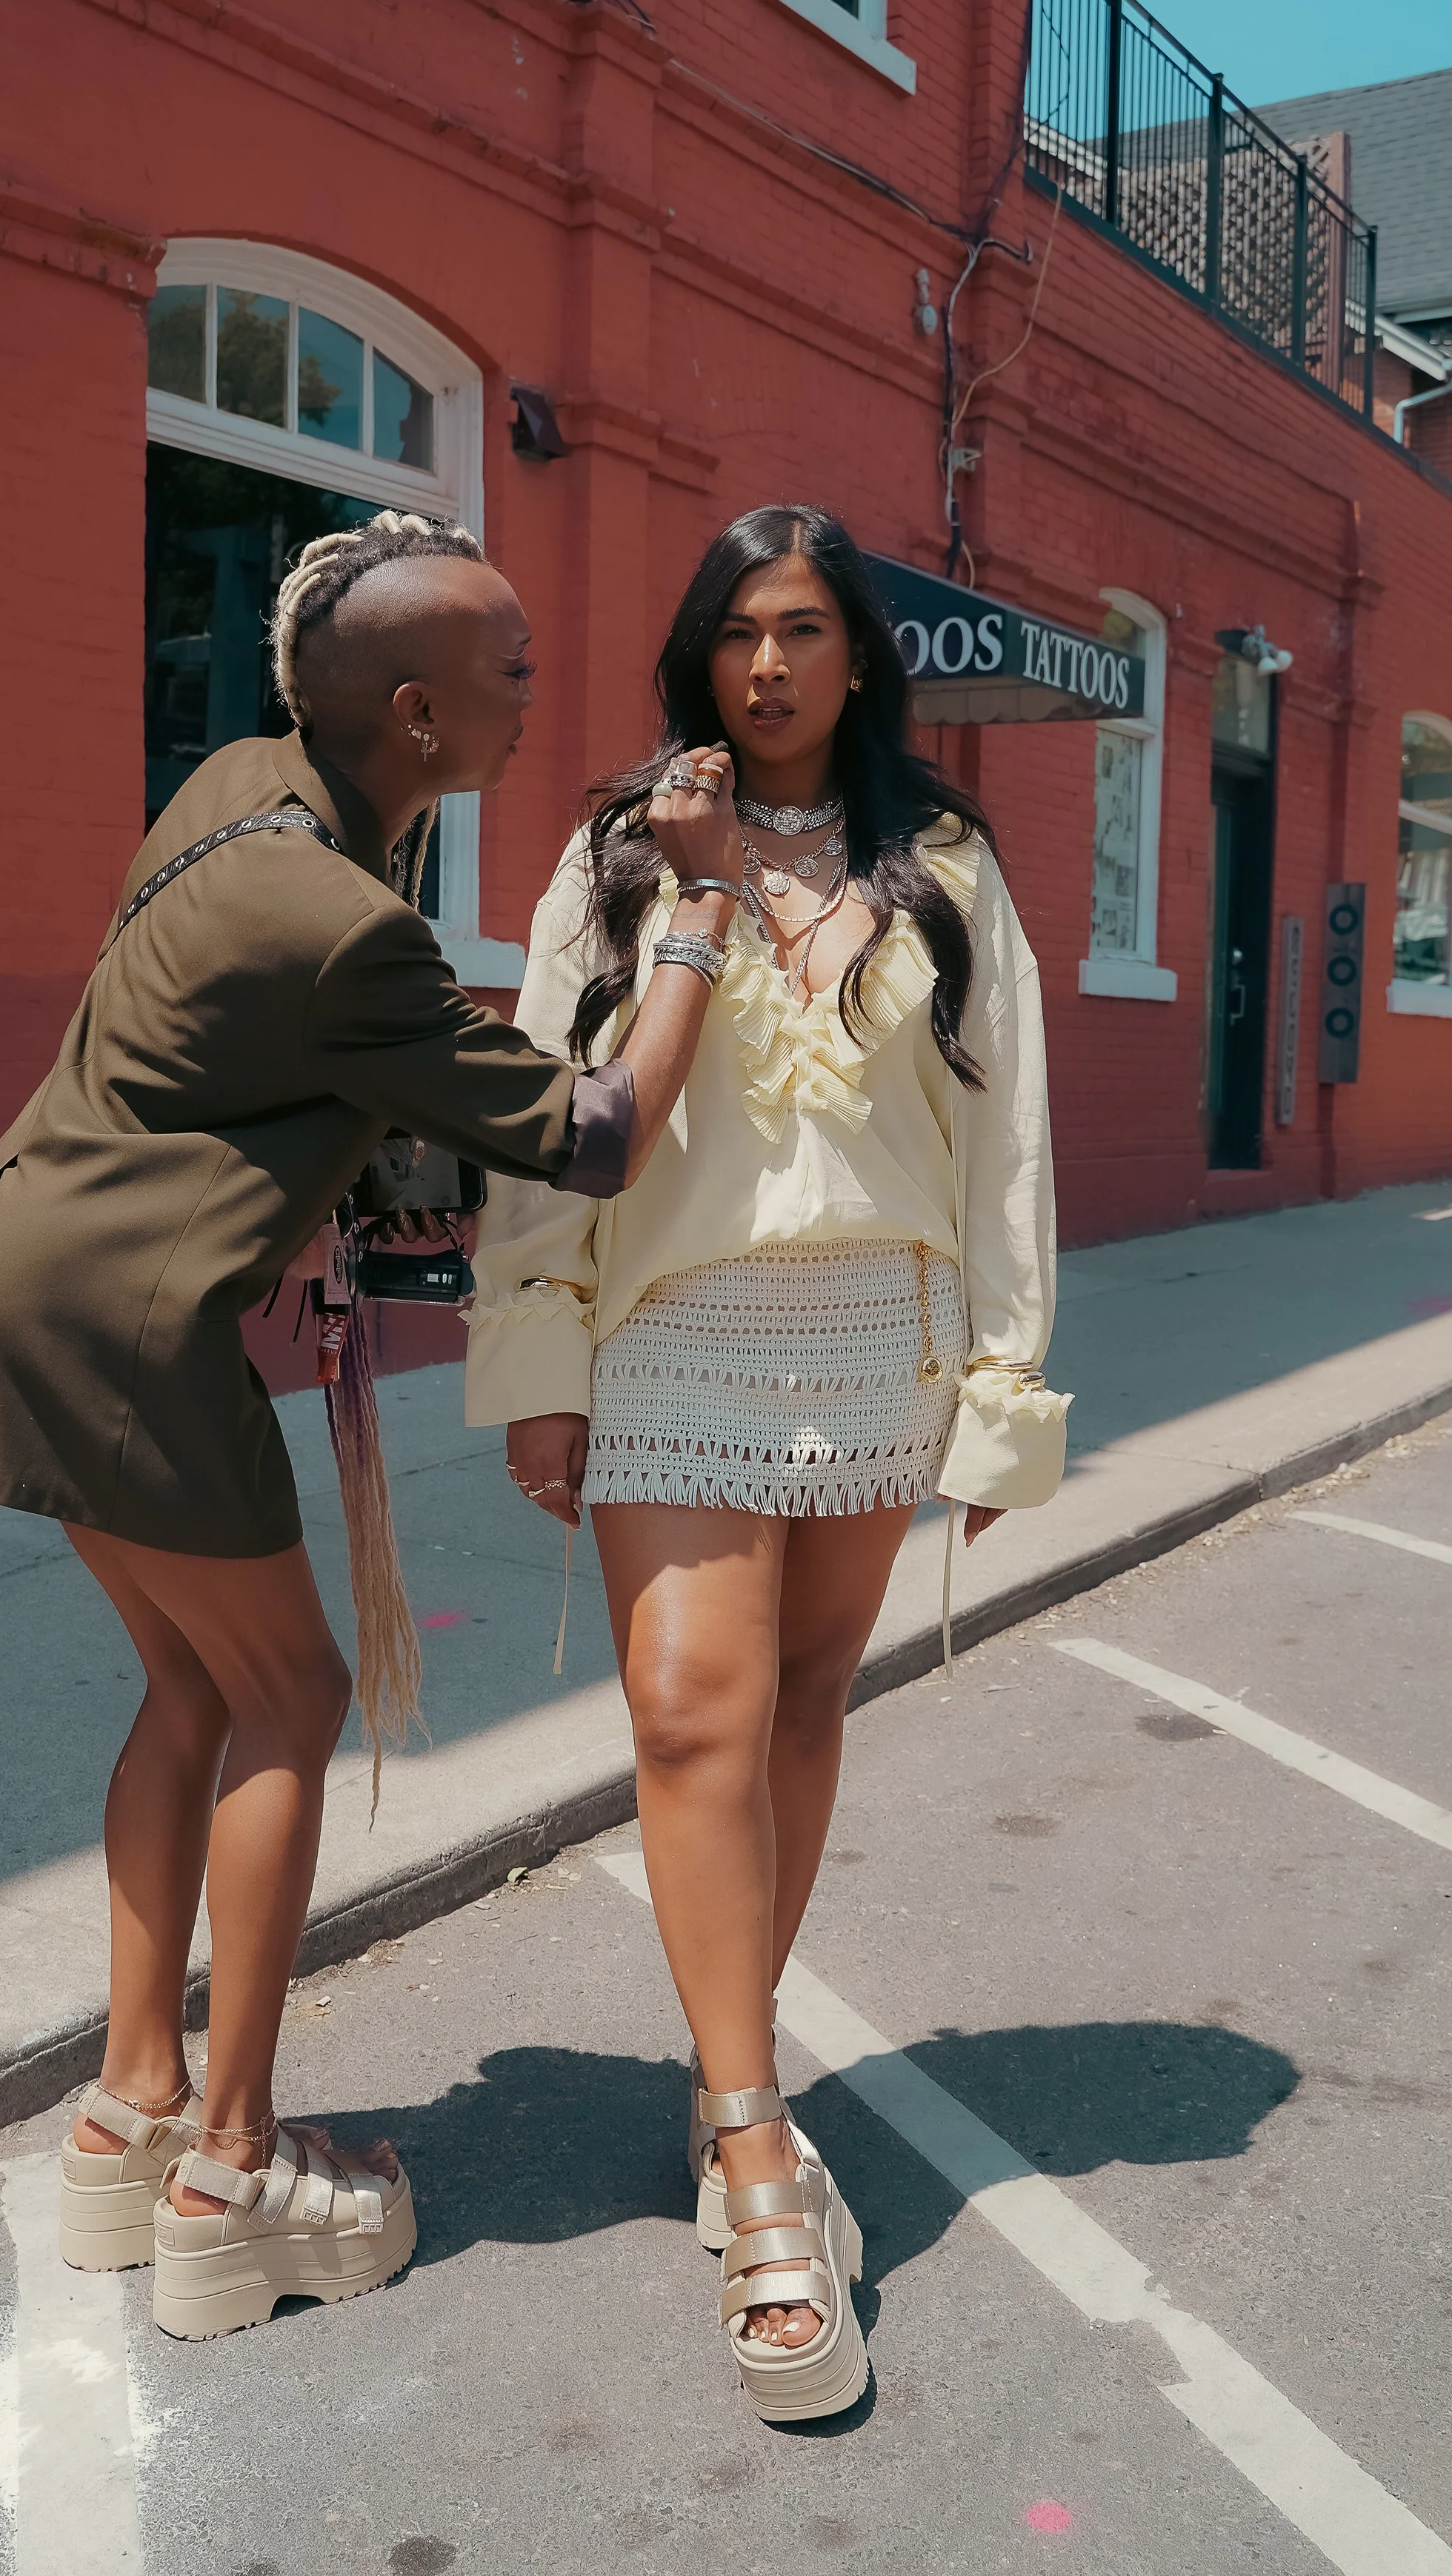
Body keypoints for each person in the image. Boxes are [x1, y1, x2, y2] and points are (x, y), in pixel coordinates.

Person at [0, 509, 745, 2341]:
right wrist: (698, 917)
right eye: (508, 669)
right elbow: (593, 1133)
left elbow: (239, 1053)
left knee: (195, 1688)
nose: (533, 694)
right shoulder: (347, 927)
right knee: (291, 1695)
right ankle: (232, 2170)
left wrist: (338, 1157)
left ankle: (130, 2106)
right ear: (414, 712)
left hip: (17, 1275)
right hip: (121, 1331)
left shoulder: (241, 790)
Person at [464, 503, 1068, 2422]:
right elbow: (548, 1106)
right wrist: (538, 1348)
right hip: (673, 1326)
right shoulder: (618, 848)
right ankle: (751, 2151)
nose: (769, 663)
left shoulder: (942, 858)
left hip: (877, 1328)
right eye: (736, 630)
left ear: (857, 652)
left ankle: (730, 2064)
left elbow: (1003, 1134)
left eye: (802, 627)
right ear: (696, 653)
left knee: (803, 1702)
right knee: (685, 1711)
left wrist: (1001, 1380)